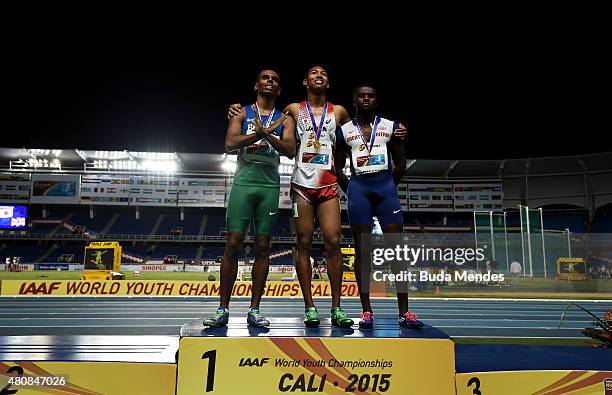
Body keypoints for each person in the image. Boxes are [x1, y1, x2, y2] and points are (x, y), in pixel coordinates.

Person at [203, 69, 296, 328]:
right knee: (233, 243)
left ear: (279, 90)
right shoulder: (241, 112)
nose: (270, 81)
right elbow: (230, 143)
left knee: (264, 246)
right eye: (265, 78)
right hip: (244, 183)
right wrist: (264, 133)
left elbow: (290, 149)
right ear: (256, 84)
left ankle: (254, 309)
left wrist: (268, 133)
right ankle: (223, 309)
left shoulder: (285, 119)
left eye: (275, 80)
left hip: (268, 186)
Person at [335, 84, 423, 329]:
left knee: (397, 252)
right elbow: (337, 166)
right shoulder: (344, 131)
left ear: (376, 100)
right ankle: (366, 311)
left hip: (386, 192)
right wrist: (351, 188)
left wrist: (388, 187)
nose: (365, 99)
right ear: (354, 99)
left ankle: (404, 312)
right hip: (359, 192)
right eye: (361, 95)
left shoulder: (391, 127)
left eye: (370, 95)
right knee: (363, 252)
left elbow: (401, 161)